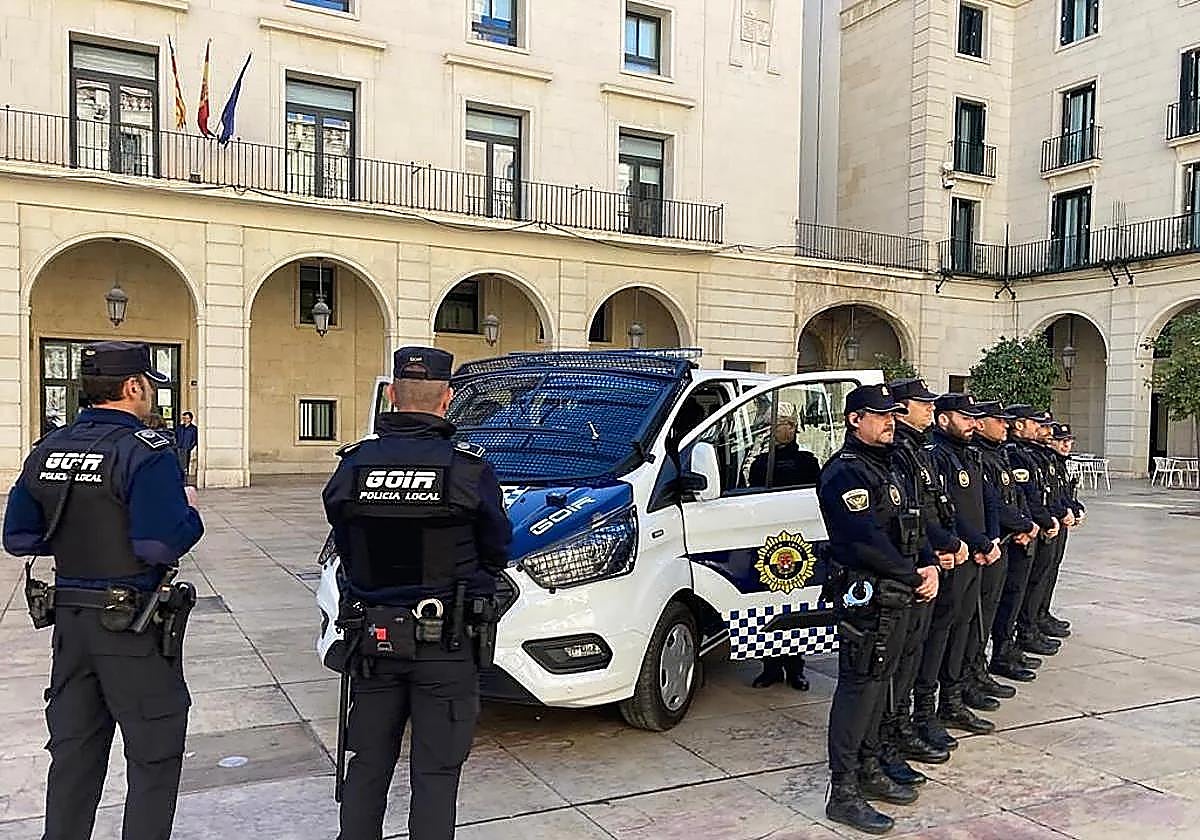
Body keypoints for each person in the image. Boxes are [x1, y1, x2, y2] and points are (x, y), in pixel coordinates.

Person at [2, 340, 204, 840]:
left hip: (71, 624)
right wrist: (189, 513)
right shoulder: (147, 451)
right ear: (133, 386)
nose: (151, 394)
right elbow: (157, 544)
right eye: (149, 385)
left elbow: (19, 537)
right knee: (154, 753)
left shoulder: (48, 448)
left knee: (74, 754)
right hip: (130, 627)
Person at [323, 346, 511, 840]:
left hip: (373, 640)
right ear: (447, 399)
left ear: (391, 395)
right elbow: (497, 550)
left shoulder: (353, 466)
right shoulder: (469, 471)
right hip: (446, 644)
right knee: (436, 773)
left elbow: (343, 540)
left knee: (368, 764)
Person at [818, 383, 939, 834]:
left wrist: (928, 563)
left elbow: (914, 523)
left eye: (892, 414)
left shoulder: (889, 464)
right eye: (880, 415)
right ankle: (843, 791)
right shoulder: (844, 472)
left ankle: (870, 765)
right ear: (855, 420)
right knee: (859, 688)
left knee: (881, 684)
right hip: (868, 596)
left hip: (897, 592)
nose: (890, 422)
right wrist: (914, 575)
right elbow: (863, 541)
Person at [878, 377, 962, 786]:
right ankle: (893, 733)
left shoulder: (918, 450)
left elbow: (933, 507)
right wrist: (935, 551)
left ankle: (911, 721)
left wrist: (941, 550)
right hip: (905, 570)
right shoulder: (897, 453)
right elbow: (907, 518)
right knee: (896, 661)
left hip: (928, 561)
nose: (930, 408)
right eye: (921, 403)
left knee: (919, 649)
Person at [922, 394, 998, 737]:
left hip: (974, 554)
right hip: (956, 555)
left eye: (974, 418)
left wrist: (990, 540)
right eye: (965, 418)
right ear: (943, 420)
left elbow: (987, 501)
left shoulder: (969, 453)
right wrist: (976, 542)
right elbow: (947, 512)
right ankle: (929, 706)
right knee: (943, 632)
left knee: (965, 626)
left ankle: (954, 697)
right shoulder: (937, 455)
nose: (973, 424)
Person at [969, 403, 1038, 703]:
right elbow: (993, 504)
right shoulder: (979, 455)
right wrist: (1018, 526)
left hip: (1006, 540)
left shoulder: (998, 454)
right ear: (981, 424)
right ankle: (973, 672)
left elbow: (1016, 495)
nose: (1004, 425)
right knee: (979, 616)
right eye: (998, 420)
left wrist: (1026, 524)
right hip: (989, 545)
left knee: (1003, 601)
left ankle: (993, 659)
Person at [749, 405, 819, 692]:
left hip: (799, 540)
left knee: (796, 605)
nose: (788, 429)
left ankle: (796, 668)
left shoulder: (807, 461)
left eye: (791, 424)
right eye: (782, 424)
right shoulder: (761, 464)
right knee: (768, 605)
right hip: (768, 541)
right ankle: (770, 667)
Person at [992, 405, 1060, 681]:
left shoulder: (1026, 454)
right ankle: (1005, 648)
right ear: (1020, 425)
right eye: (1036, 423)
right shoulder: (1012, 453)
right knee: (1011, 595)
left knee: (1029, 585)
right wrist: (1027, 524)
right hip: (1014, 535)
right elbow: (1021, 496)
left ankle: (1017, 640)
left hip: (1028, 528)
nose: (1042, 429)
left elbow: (1030, 495)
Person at [1016, 413, 1068, 658]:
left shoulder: (1042, 456)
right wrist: (1046, 520)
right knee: (1027, 584)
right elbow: (1029, 497)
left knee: (1046, 573)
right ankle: (1026, 631)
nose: (1045, 430)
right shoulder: (1018, 454)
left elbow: (1055, 493)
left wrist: (1068, 510)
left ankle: (1038, 618)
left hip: (1047, 523)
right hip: (1031, 529)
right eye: (1039, 424)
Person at [1036, 423, 1082, 639]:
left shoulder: (1059, 464)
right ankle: (1033, 620)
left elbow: (1063, 495)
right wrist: (1061, 513)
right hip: (1048, 524)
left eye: (1069, 441)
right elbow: (1044, 498)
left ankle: (1043, 613)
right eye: (1061, 441)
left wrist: (1076, 508)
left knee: (1051, 570)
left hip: (1059, 524)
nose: (1066, 445)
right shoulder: (1046, 461)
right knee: (1040, 575)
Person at [176, 411, 197, 479]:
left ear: (190, 419)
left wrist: (190, 447)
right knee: (178, 464)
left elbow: (195, 439)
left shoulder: (193, 429)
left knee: (185, 465)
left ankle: (185, 478)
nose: (185, 420)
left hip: (186, 448)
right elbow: (176, 436)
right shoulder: (179, 427)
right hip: (179, 447)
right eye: (184, 418)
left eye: (186, 418)